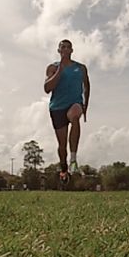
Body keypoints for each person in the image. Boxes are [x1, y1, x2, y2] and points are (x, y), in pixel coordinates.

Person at [43, 39, 90, 185]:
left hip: (74, 103)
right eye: (62, 47)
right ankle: (63, 168)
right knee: (62, 146)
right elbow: (47, 88)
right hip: (57, 107)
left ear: (71, 50)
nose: (65, 49)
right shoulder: (52, 67)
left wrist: (85, 106)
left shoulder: (81, 68)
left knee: (75, 116)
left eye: (68, 47)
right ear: (59, 50)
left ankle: (73, 160)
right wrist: (60, 70)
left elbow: (87, 86)